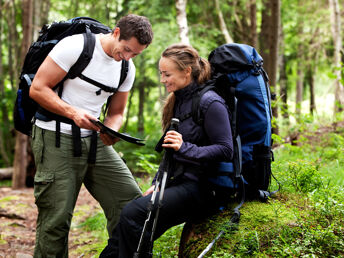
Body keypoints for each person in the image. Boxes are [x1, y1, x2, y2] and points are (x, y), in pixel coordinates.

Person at [29, 14, 153, 257]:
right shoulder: (75, 46)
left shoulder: (127, 67)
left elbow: (117, 112)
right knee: (56, 219)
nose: (127, 57)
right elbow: (38, 88)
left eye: (135, 54)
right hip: (55, 136)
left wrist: (112, 128)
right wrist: (72, 112)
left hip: (95, 140)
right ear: (116, 33)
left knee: (131, 203)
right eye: (126, 49)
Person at [100, 43, 234, 257]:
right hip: (181, 182)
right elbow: (170, 152)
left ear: (186, 71)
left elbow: (226, 149)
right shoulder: (179, 100)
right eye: (161, 73)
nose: (162, 80)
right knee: (134, 226)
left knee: (133, 214)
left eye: (167, 74)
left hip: (206, 188)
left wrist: (186, 147)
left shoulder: (210, 102)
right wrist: (156, 183)